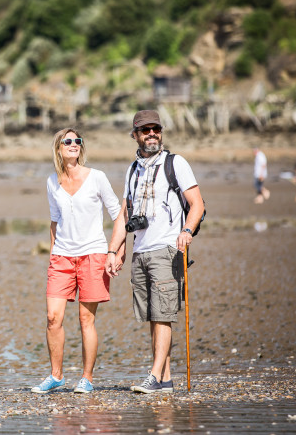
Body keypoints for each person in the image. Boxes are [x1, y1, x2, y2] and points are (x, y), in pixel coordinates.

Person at [105, 110, 205, 394]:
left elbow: (196, 204)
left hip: (167, 249)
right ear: (135, 135)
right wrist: (115, 250)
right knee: (152, 315)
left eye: (156, 129)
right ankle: (165, 379)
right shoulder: (132, 169)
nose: (152, 134)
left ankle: (153, 375)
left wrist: (186, 231)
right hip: (141, 250)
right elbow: (126, 214)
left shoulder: (176, 163)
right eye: (145, 130)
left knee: (163, 315)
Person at [31, 128, 121, 395]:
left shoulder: (97, 177)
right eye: (67, 141)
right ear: (58, 148)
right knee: (52, 318)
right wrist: (53, 255)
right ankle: (56, 375)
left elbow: (119, 215)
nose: (73, 144)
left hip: (93, 254)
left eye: (77, 141)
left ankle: (87, 378)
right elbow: (54, 220)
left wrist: (114, 251)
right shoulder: (52, 181)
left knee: (85, 319)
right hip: (62, 257)